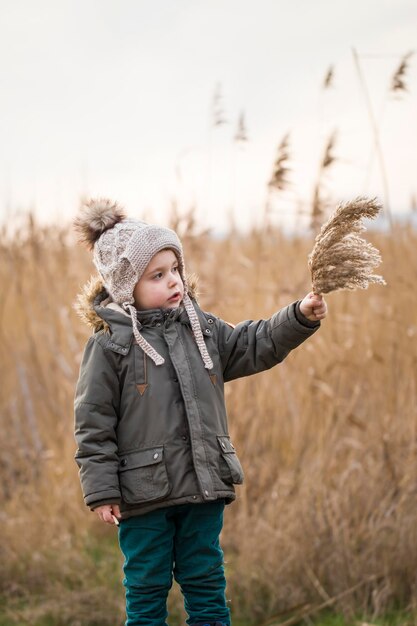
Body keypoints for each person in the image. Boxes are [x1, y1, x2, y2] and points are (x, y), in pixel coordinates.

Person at [73, 198, 327, 626]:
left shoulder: (201, 329)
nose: (174, 281)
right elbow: (93, 422)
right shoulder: (110, 347)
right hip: (142, 496)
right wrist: (102, 489)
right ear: (125, 287)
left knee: (207, 584)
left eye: (175, 269)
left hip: (205, 485)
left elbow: (253, 343)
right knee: (146, 591)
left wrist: (297, 317)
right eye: (157, 275)